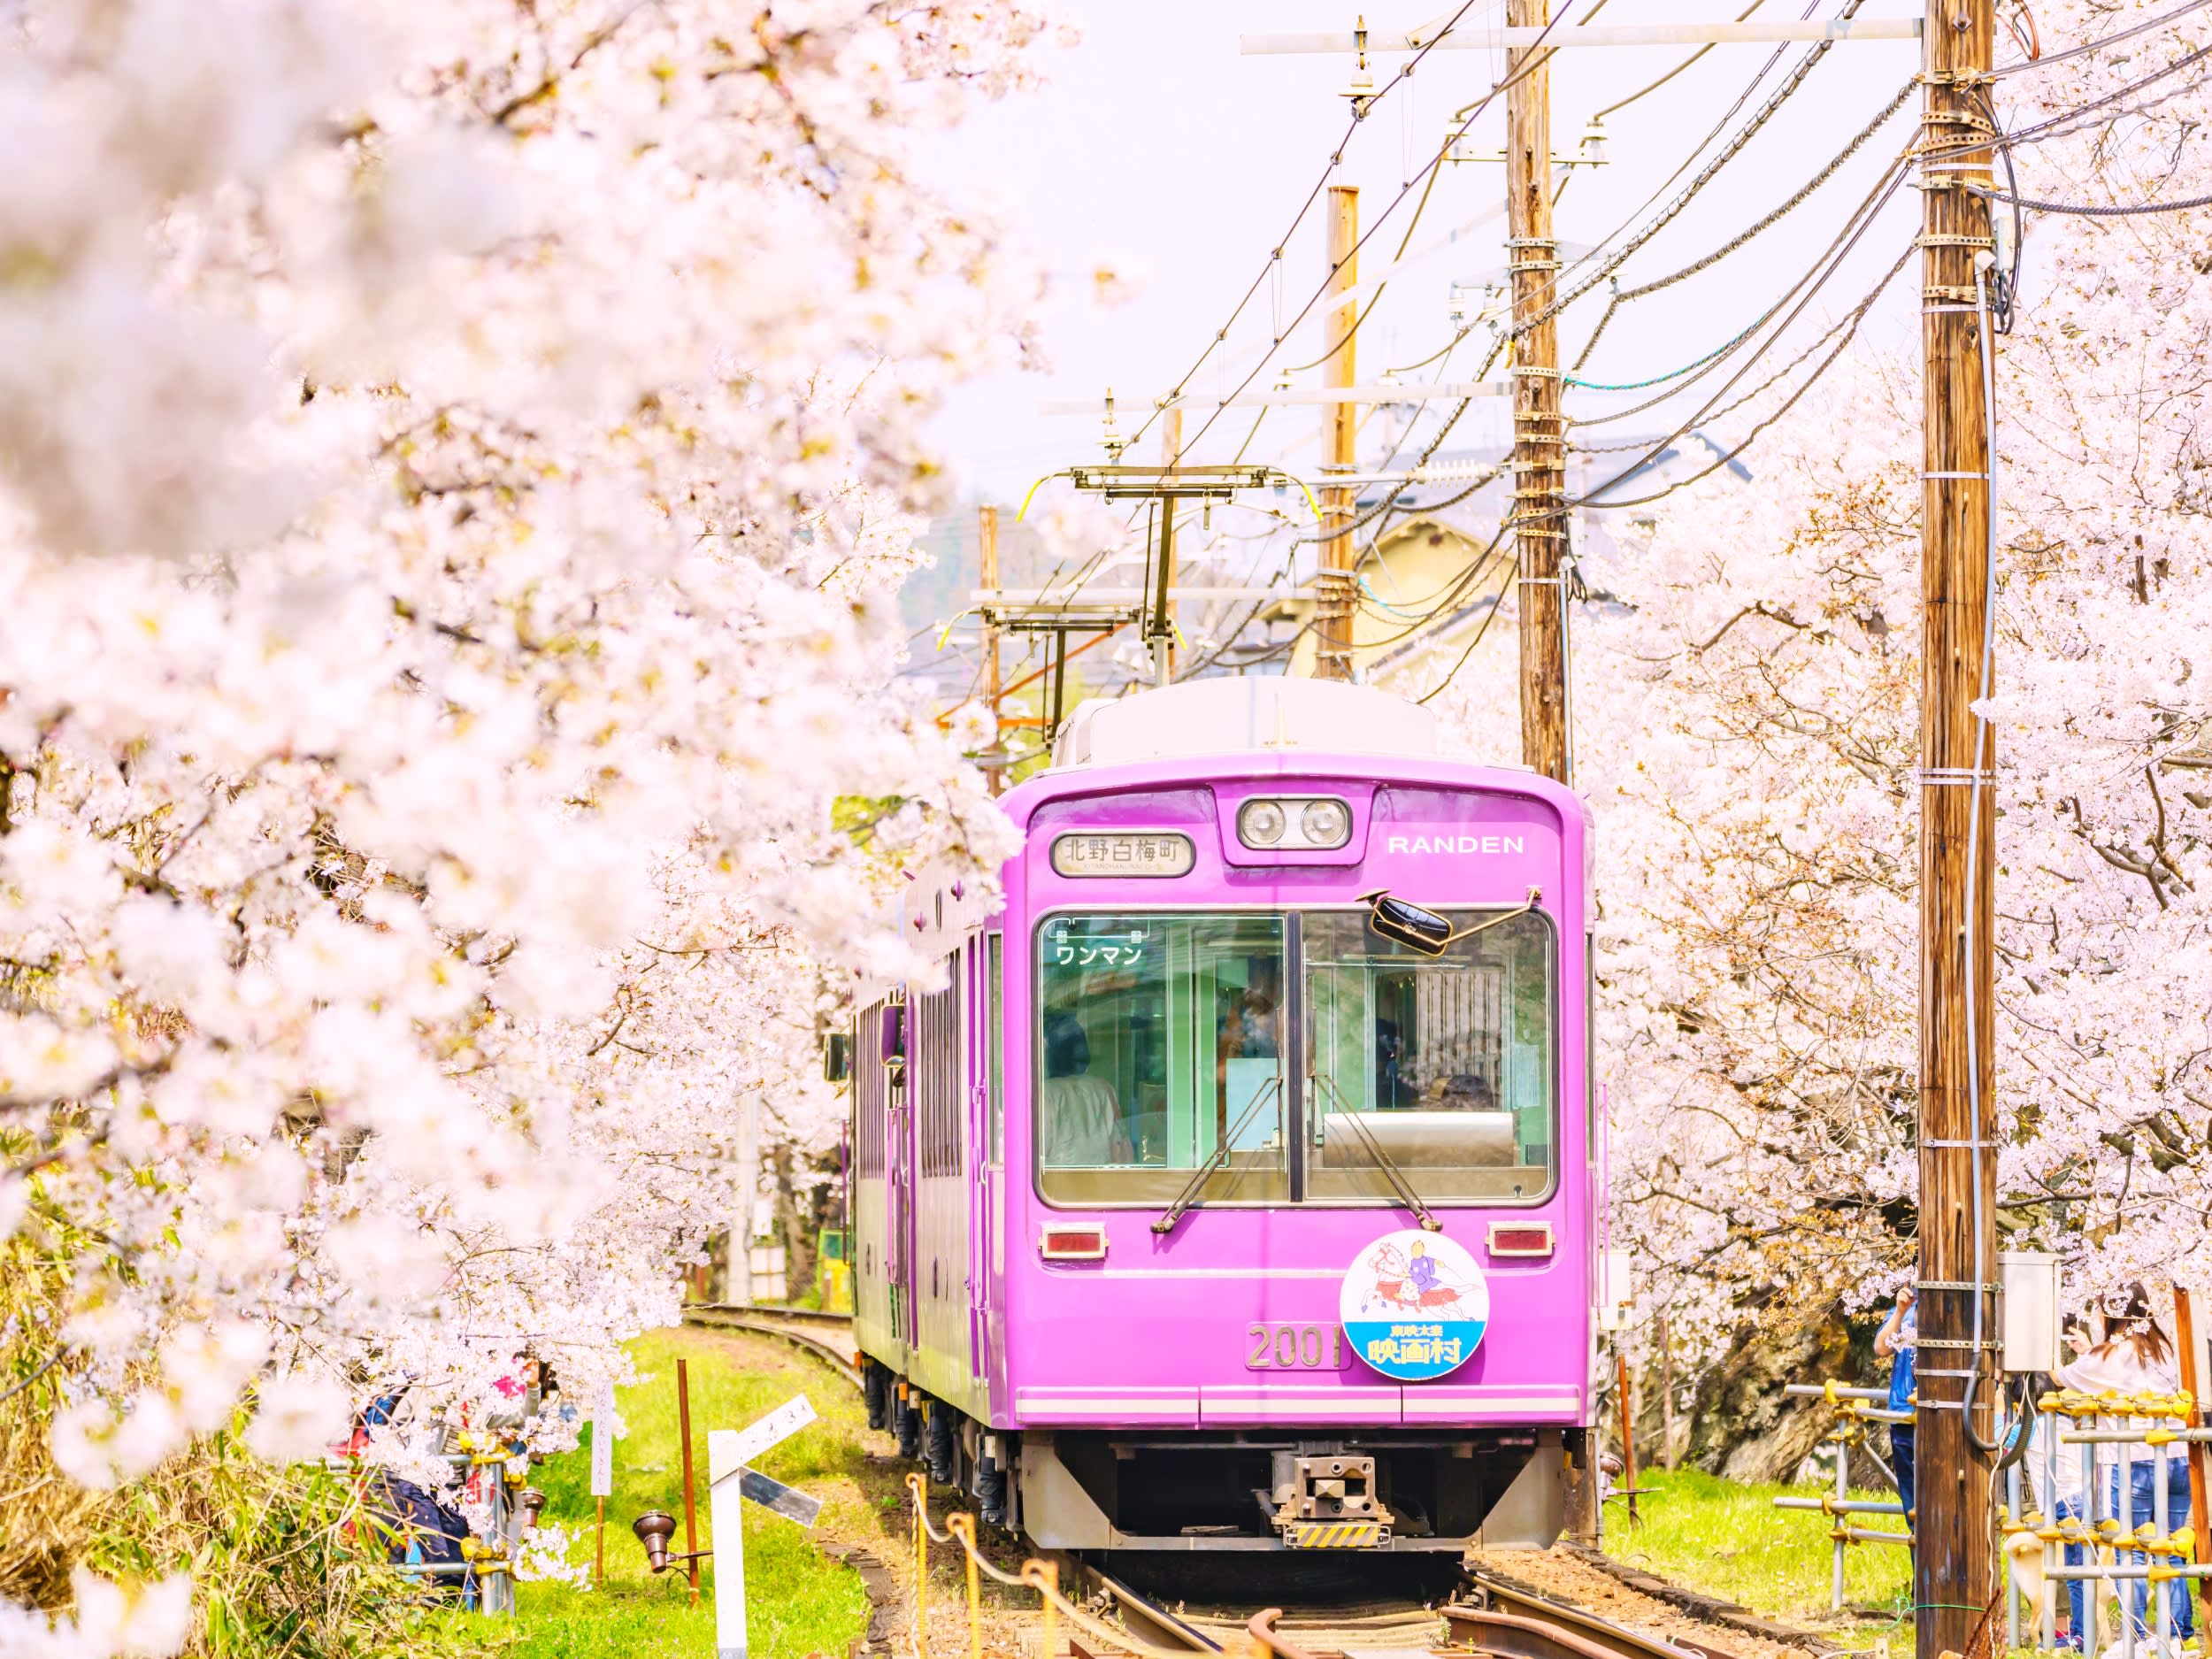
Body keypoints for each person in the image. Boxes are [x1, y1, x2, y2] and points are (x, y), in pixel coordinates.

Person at [2056, 1284, 2194, 1647]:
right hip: (2177, 1457)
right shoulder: (2166, 1348)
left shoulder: (2110, 1353)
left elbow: (2065, 1378)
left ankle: (2135, 1635)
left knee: (2129, 1548)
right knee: (2172, 1547)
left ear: (2112, 1312)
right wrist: (2090, 1352)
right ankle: (2178, 1635)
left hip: (2134, 1461)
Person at [1040, 1012, 1125, 1165]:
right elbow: (1120, 1148)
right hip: (1099, 1184)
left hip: (1055, 1185)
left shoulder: (1044, 1094)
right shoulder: (1105, 1088)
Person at [1875, 1286, 1917, 1530]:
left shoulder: (1956, 1306)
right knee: (1912, 1508)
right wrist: (1900, 1312)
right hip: (1903, 1413)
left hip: (1943, 1414)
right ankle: (1918, 1567)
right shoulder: (1906, 1311)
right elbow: (1881, 1348)